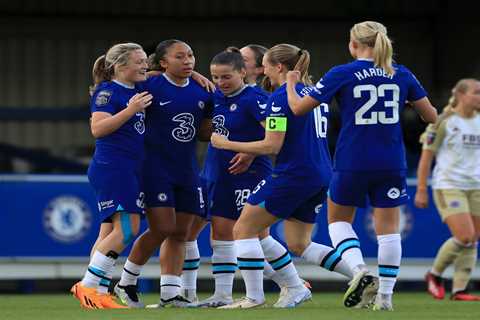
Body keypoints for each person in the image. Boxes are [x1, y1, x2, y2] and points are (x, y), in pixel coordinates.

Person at [286, 21, 438, 311]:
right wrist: (402, 102)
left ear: (353, 44)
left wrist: (292, 84)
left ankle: (359, 270)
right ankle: (386, 298)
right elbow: (431, 116)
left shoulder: (342, 73)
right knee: (389, 231)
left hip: (352, 160)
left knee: (339, 222)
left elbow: (297, 108)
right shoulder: (401, 73)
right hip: (391, 161)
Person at [210, 43, 354, 309]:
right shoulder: (312, 94)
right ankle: (359, 275)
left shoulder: (279, 98)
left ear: (278, 67)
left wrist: (226, 144)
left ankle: (254, 297)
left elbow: (271, 146)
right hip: (321, 173)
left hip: (293, 173)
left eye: (265, 63)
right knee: (299, 243)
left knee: (243, 229)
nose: (262, 68)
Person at [113, 39, 213, 308]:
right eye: (180, 56)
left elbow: (204, 132)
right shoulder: (150, 85)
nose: (188, 60)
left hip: (188, 169)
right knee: (163, 227)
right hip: (154, 168)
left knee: (181, 232)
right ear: (163, 62)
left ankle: (170, 294)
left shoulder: (203, 91)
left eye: (191, 55)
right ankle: (126, 280)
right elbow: (120, 81)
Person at [71, 42, 153, 309]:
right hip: (114, 168)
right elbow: (98, 128)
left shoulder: (136, 87)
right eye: (139, 61)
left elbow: (161, 76)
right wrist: (130, 110)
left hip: (127, 168)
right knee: (129, 228)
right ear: (120, 66)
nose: (145, 65)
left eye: (145, 60)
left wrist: (195, 75)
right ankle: (88, 286)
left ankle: (99, 291)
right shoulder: (107, 92)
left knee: (108, 232)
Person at [415, 78, 480, 301]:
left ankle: (460, 289)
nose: (479, 97)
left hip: (476, 187)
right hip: (449, 186)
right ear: (461, 95)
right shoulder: (443, 121)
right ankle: (434, 275)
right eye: (476, 92)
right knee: (464, 236)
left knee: (473, 239)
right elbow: (426, 157)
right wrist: (421, 188)